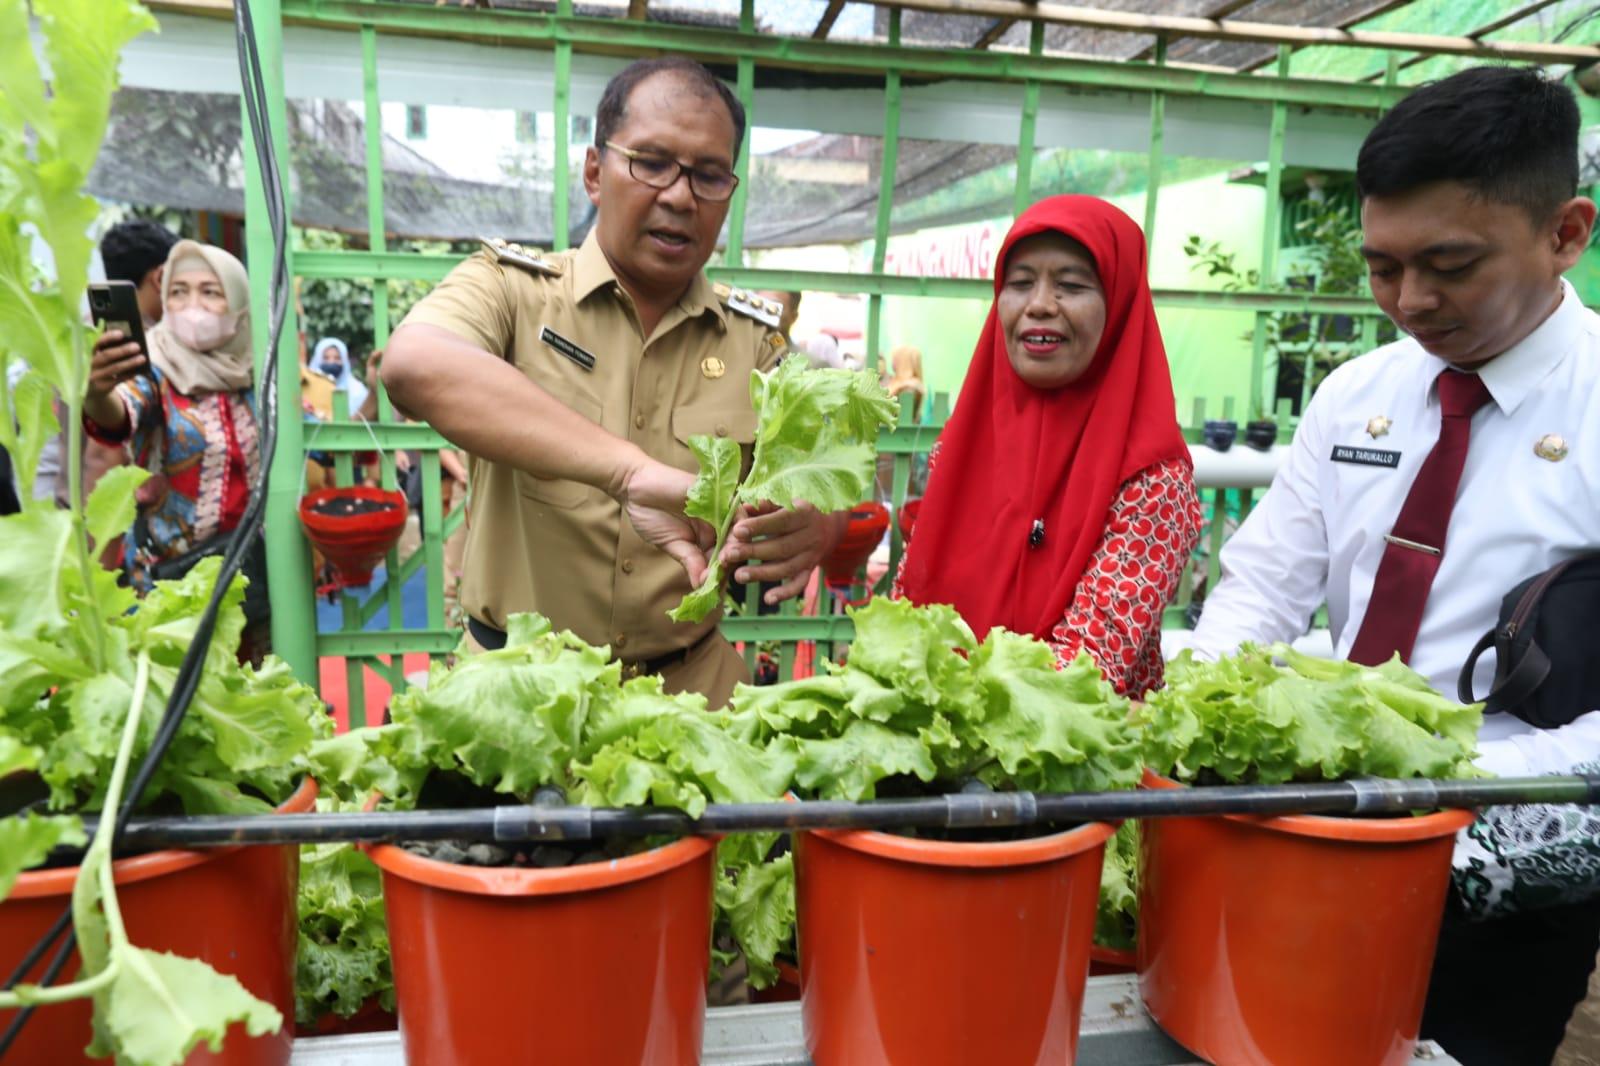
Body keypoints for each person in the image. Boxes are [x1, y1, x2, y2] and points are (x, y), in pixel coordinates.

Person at [1189, 67, 1600, 1065]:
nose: (1410, 302)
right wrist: (1203, 711)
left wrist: (1443, 783)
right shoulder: (1356, 394)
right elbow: (1263, 585)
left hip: (1510, 859)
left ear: (1565, 233)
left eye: (1450, 265)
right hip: (1314, 838)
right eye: (1382, 267)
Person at [381, 56, 847, 708]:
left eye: (709, 175)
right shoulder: (513, 291)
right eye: (651, 162)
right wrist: (629, 472)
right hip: (517, 696)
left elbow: (825, 472)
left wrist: (818, 522)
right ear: (595, 173)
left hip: (692, 699)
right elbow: (413, 364)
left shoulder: (755, 342)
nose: (680, 196)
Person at [896, 195, 1203, 697]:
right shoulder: (959, 447)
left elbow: (1083, 672)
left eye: (1071, 286)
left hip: (1068, 741)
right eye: (1020, 283)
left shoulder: (1152, 479)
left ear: (1119, 303)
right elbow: (907, 608)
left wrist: (939, 706)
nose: (1039, 304)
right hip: (930, 730)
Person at [83, 238, 270, 659]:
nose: (192, 306)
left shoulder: (264, 372)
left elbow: (317, 438)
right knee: (176, 686)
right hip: (170, 586)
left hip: (254, 582)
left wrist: (373, 397)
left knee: (256, 690)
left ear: (238, 302)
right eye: (179, 292)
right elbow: (119, 414)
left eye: (210, 292)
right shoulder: (155, 371)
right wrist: (96, 394)